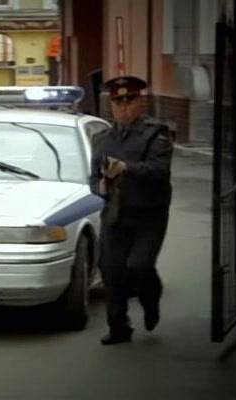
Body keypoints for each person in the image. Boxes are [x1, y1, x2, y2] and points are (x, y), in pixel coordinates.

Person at [89, 76, 173, 345]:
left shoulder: (155, 133)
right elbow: (93, 178)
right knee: (111, 269)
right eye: (117, 101)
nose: (123, 106)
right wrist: (101, 184)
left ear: (140, 101)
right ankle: (119, 327)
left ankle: (151, 298)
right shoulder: (102, 138)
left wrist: (126, 168)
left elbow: (160, 172)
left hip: (149, 213)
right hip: (116, 213)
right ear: (111, 105)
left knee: (139, 266)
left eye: (129, 100)